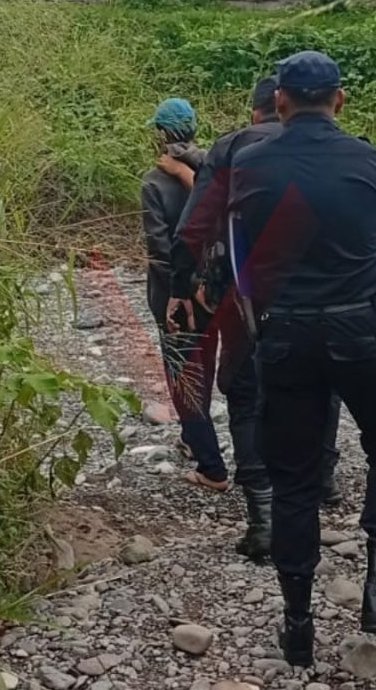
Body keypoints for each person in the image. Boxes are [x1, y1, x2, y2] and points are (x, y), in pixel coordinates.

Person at [228, 51, 376, 665]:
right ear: (341, 99)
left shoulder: (247, 168)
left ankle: (297, 623)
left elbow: (245, 259)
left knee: (295, 478)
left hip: (283, 338)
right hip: (360, 330)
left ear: (278, 101)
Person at [160, 77, 346, 563]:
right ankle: (321, 480)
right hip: (322, 297)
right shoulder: (342, 150)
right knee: (320, 386)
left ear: (264, 106)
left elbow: (193, 228)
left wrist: (184, 287)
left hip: (246, 298)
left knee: (244, 394)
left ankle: (263, 520)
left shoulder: (234, 149)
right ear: (335, 102)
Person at [141, 98, 229, 492]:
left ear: (160, 134)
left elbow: (160, 249)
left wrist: (181, 287)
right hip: (219, 290)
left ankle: (211, 466)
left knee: (183, 374)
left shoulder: (153, 183)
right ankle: (194, 438)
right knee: (206, 361)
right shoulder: (218, 168)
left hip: (175, 292)